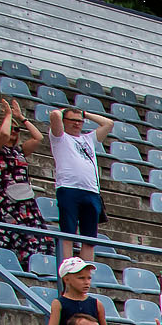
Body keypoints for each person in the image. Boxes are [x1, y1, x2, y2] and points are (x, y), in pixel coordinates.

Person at [46, 104, 112, 261]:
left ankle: (86, 272)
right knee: (68, 234)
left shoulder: (88, 139)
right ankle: (68, 271)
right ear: (65, 120)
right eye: (72, 120)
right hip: (69, 189)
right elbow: (54, 115)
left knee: (89, 239)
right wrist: (63, 112)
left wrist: (85, 114)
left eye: (80, 121)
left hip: (91, 191)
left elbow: (108, 124)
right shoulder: (60, 137)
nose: (77, 124)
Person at [0, 98, 50, 267]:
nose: (14, 131)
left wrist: (22, 118)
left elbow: (38, 138)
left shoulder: (19, 150)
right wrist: (7, 115)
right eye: (11, 128)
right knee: (11, 232)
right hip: (7, 197)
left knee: (34, 234)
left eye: (17, 129)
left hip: (25, 197)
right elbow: (4, 135)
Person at [45, 257, 112, 325]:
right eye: (81, 278)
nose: (86, 282)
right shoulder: (58, 303)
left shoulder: (96, 304)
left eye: (89, 278)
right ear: (66, 279)